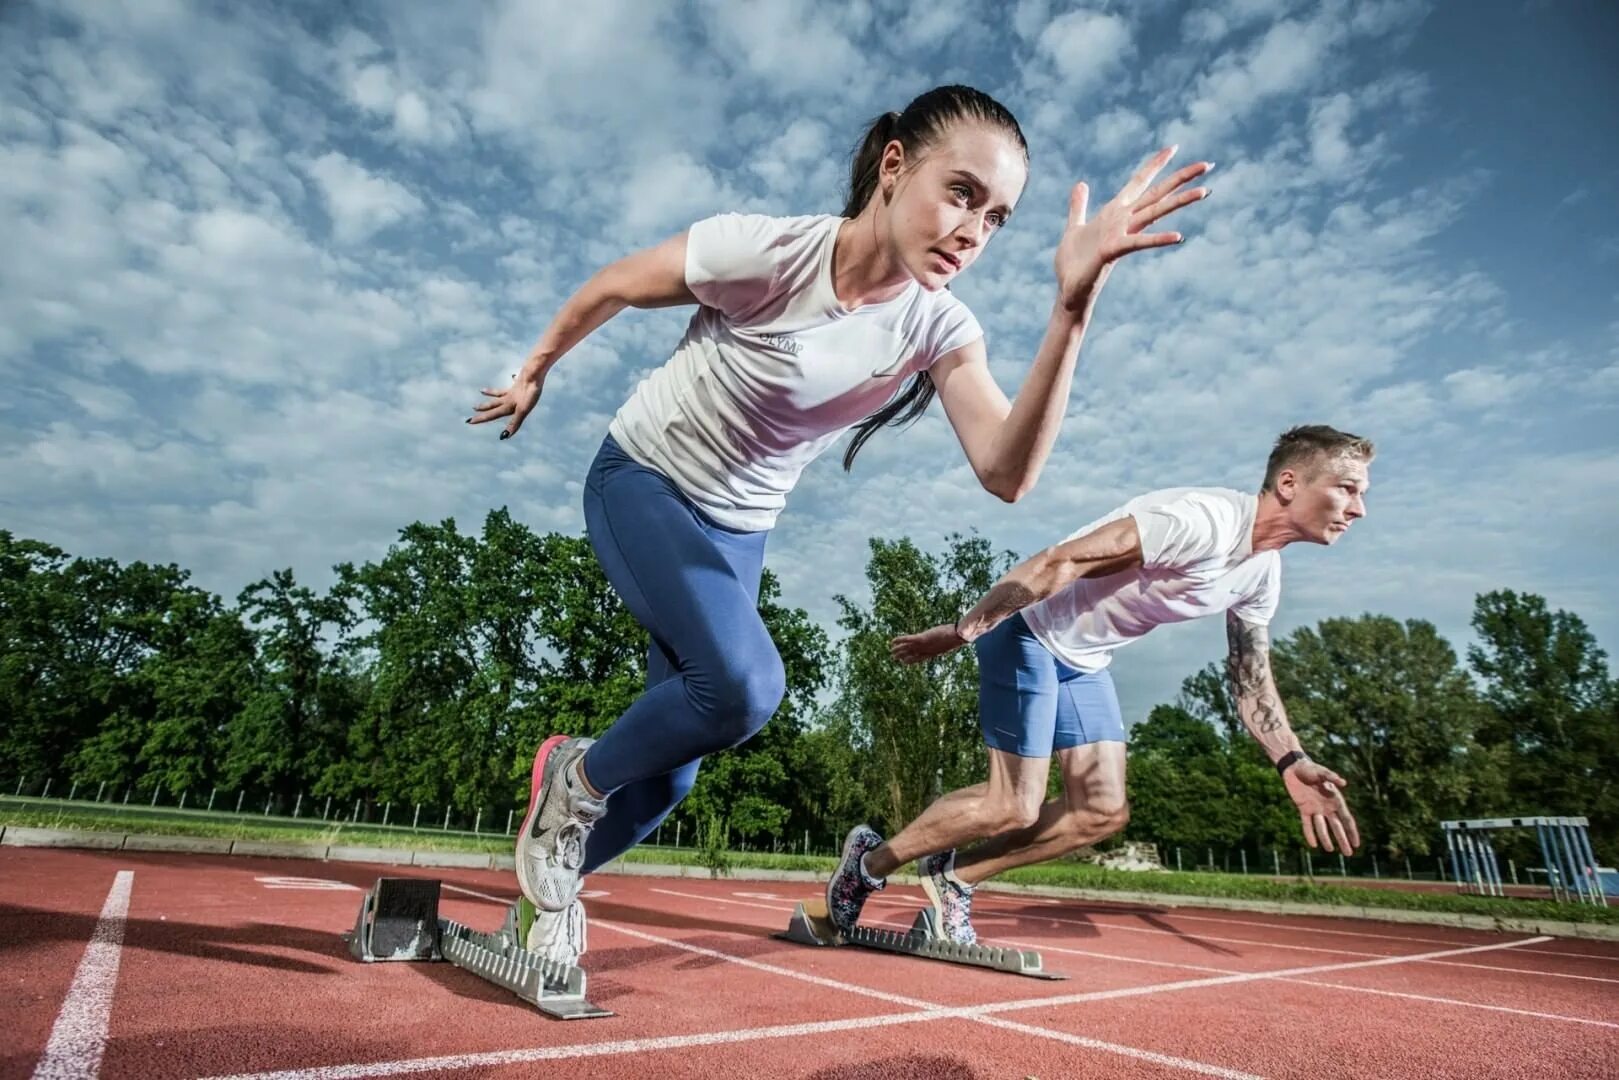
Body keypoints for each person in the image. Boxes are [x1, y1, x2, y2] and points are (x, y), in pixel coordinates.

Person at [467, 84, 1213, 965]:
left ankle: (547, 890)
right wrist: (534, 368)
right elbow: (618, 286)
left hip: (737, 531)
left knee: (674, 766)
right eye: (961, 193)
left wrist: (1072, 307)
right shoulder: (770, 251)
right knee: (744, 688)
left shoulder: (939, 325)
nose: (974, 230)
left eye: (999, 218)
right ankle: (571, 776)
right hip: (645, 481)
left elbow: (1006, 472)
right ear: (894, 166)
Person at [825, 425, 1371, 945]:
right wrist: (965, 630)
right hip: (1029, 632)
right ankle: (868, 864)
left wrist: (1289, 759)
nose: (1358, 508)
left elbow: (1250, 677)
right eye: (1347, 488)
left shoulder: (1261, 572)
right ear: (1290, 483)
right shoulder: (1201, 520)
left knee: (1103, 810)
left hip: (1084, 661)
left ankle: (953, 878)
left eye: (1361, 494)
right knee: (1014, 805)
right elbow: (1063, 560)